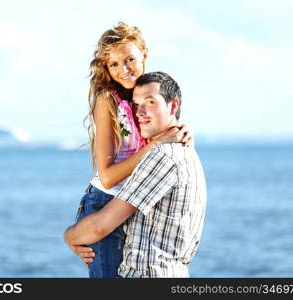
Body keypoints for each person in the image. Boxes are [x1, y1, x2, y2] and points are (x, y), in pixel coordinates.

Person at [67, 22, 194, 278]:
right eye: (113, 64)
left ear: (144, 55)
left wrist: (185, 130)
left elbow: (164, 130)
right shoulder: (108, 101)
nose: (123, 70)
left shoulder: (147, 97)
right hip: (105, 202)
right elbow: (107, 177)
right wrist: (155, 146)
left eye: (129, 60)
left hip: (135, 201)